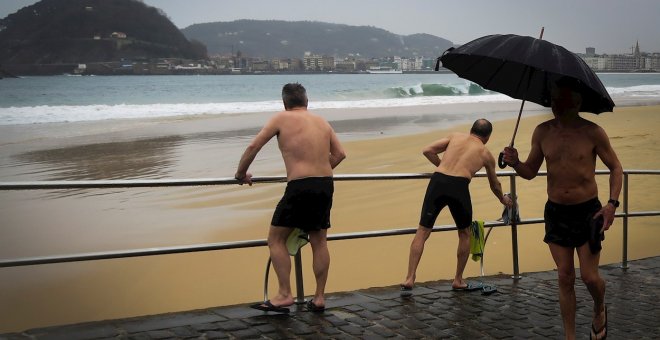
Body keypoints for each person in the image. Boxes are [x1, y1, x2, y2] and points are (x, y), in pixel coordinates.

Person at [502, 77, 622, 340]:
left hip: (589, 212)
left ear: (577, 101)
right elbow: (530, 172)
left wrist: (612, 204)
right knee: (565, 277)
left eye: (562, 99)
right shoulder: (542, 132)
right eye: (553, 98)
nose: (555, 104)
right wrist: (515, 162)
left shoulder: (593, 132)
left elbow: (616, 168)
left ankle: (599, 307)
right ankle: (570, 337)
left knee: (590, 277)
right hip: (556, 212)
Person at [235, 83, 346, 313]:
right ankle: (319, 298)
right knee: (319, 241)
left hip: (299, 186)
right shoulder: (322, 122)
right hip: (325, 184)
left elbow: (253, 145)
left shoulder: (281, 119)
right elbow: (340, 154)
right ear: (307, 101)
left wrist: (240, 174)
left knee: (276, 239)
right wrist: (320, 170)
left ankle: (285, 294)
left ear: (285, 103)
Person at [401, 119, 513, 295]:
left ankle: (409, 278)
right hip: (459, 186)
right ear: (488, 137)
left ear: (471, 130)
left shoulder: (455, 136)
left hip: (437, 182)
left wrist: (444, 167)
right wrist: (503, 199)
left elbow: (427, 150)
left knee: (422, 231)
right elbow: (495, 185)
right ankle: (458, 280)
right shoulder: (485, 153)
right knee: (464, 233)